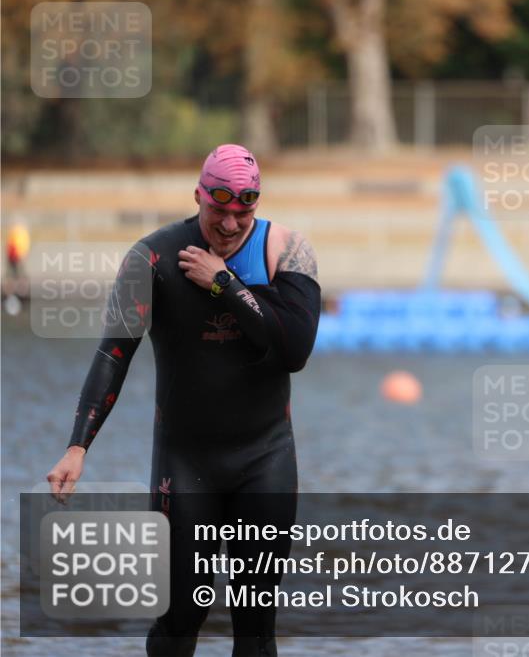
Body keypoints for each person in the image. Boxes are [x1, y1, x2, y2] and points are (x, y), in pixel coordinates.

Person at [45, 144, 322, 657]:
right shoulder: (151, 258)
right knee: (178, 621)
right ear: (198, 194)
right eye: (220, 209)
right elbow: (114, 352)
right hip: (185, 463)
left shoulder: (285, 251)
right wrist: (77, 446)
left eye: (244, 211)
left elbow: (294, 349)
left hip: (265, 459)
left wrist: (223, 283)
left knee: (256, 625)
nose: (231, 224)